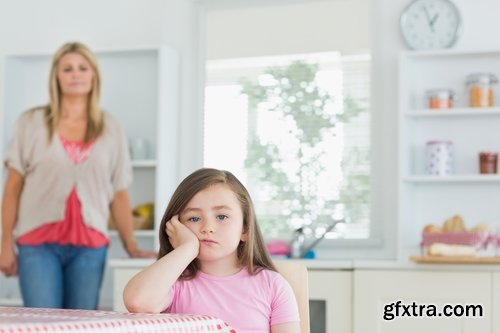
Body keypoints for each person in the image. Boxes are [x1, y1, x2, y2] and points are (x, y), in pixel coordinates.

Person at [0, 41, 156, 310]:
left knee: (81, 325)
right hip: (37, 245)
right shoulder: (31, 122)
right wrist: (4, 244)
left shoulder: (110, 127)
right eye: (67, 69)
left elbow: (119, 192)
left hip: (90, 246)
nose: (75, 74)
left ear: (93, 75)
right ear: (56, 77)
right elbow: (13, 187)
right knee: (41, 323)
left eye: (83, 68)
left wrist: (131, 244)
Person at [123, 168, 300, 333]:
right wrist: (187, 248)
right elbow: (137, 302)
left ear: (244, 229)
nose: (207, 227)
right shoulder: (173, 284)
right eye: (194, 218)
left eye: (222, 216)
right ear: (176, 227)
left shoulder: (272, 285)